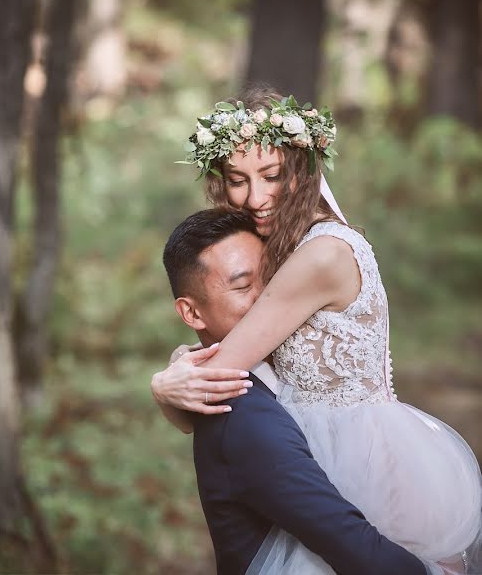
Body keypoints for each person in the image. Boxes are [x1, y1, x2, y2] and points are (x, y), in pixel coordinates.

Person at [151, 87, 482, 574]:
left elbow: (211, 383)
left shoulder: (320, 254)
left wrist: (165, 382)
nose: (255, 197)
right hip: (310, 449)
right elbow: (201, 407)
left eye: (272, 175)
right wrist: (179, 382)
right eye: (237, 180)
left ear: (303, 169)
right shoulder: (288, 243)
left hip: (356, 458)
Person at [159, 207, 426, 574]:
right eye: (241, 286)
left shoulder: (277, 373)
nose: (267, 298)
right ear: (192, 314)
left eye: (271, 278)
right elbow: (348, 541)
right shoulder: (242, 414)